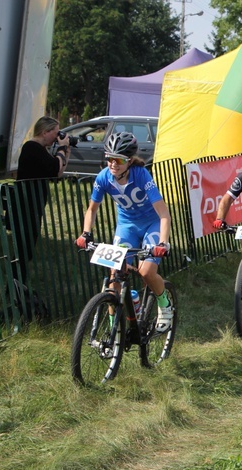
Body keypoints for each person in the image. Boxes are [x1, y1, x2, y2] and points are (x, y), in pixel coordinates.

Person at [75, 132, 173, 332]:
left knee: (146, 271)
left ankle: (165, 304)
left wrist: (162, 243)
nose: (113, 164)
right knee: (115, 274)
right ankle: (115, 330)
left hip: (151, 223)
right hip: (126, 225)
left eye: (118, 160)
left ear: (129, 161)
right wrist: (85, 233)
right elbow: (92, 209)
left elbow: (164, 213)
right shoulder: (103, 177)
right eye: (109, 158)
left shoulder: (141, 175)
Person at [9, 116, 70, 283]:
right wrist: (61, 150)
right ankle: (15, 283)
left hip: (33, 205)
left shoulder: (41, 149)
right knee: (23, 247)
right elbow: (53, 168)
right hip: (25, 205)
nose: (58, 137)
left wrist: (66, 152)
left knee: (28, 247)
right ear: (45, 132)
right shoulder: (32, 148)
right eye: (56, 133)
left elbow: (57, 173)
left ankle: (18, 282)